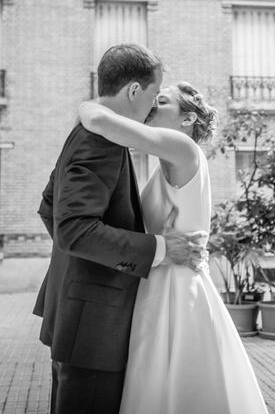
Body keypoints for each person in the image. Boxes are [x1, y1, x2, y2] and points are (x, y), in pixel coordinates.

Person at [33, 44, 206, 414]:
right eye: (153, 96)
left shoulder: (89, 134)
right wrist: (159, 249)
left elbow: (51, 209)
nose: (151, 108)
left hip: (82, 313)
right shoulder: (100, 142)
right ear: (133, 90)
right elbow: (74, 230)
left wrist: (79, 266)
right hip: (95, 320)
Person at [77, 81, 269, 414]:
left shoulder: (183, 148)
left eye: (162, 101)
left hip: (181, 290)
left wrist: (86, 106)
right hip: (158, 282)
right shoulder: (165, 161)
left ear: (187, 120)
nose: (152, 106)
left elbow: (101, 123)